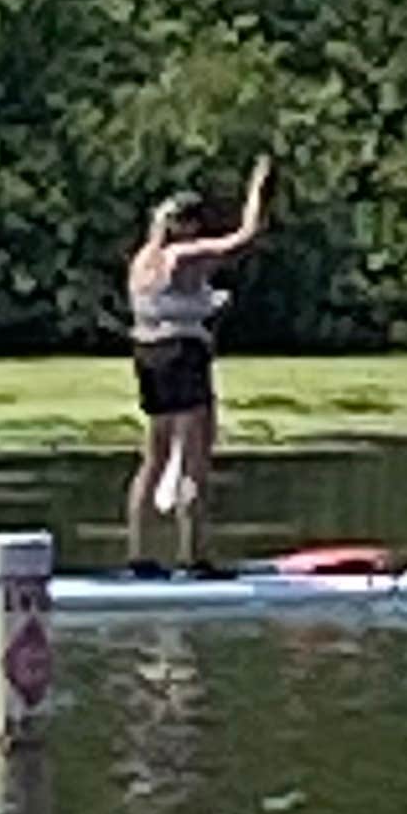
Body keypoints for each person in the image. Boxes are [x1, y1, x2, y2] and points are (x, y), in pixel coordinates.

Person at [125, 155, 271, 573]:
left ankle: (139, 554)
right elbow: (245, 237)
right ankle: (194, 556)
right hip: (183, 354)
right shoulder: (184, 257)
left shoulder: (141, 262)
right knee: (195, 457)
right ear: (185, 225)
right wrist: (258, 189)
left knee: (153, 458)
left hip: (147, 355)